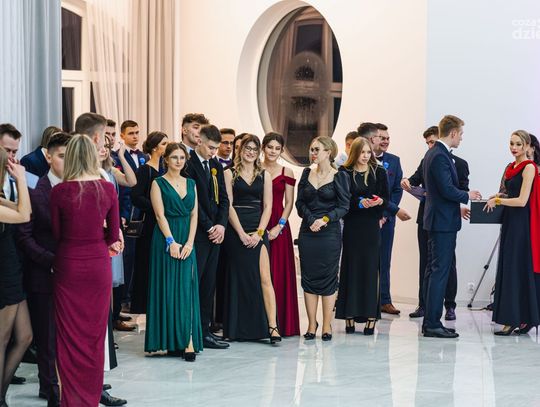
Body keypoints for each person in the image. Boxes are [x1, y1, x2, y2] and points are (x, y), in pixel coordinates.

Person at [50, 134, 121, 406]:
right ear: (93, 156)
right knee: (94, 335)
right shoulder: (107, 189)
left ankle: (71, 400)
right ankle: (91, 398)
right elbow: (113, 235)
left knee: (69, 335)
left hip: (68, 264)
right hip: (97, 264)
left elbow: (57, 233)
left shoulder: (60, 192)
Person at [74, 113, 127, 407]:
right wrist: (110, 233)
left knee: (98, 323)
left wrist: (116, 233)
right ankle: (83, 385)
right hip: (86, 256)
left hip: (96, 254)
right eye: (105, 136)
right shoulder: (81, 174)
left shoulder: (103, 174)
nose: (108, 142)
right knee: (88, 325)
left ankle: (95, 381)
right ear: (96, 138)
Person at [16, 132, 71, 406]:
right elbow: (25, 237)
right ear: (48, 157)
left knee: (71, 335)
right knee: (47, 337)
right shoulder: (35, 190)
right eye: (61, 156)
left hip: (73, 275)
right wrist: (52, 261)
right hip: (44, 273)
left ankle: (71, 382)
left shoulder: (76, 188)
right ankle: (50, 387)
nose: (67, 162)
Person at [422, 115, 481, 338]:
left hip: (439, 220)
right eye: (461, 134)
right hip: (442, 222)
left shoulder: (435, 153)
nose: (461, 138)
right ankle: (432, 323)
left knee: (434, 271)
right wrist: (467, 195)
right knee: (440, 272)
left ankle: (431, 321)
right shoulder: (439, 155)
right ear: (453, 133)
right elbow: (446, 189)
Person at [403, 126, 470, 320]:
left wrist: (461, 201)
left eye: (432, 141)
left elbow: (455, 190)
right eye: (428, 143)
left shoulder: (457, 163)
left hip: (443, 217)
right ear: (453, 133)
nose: (430, 146)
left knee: (445, 265)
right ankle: (427, 310)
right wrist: (407, 181)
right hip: (432, 217)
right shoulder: (433, 157)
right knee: (430, 265)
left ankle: (448, 306)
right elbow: (438, 187)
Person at [145, 143, 202, 361]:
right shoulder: (157, 183)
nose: (178, 161)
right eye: (174, 157)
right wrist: (171, 241)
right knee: (167, 288)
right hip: (165, 239)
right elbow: (159, 215)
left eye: (182, 157)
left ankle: (188, 341)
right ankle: (170, 340)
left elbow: (194, 215)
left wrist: (189, 243)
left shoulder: (191, 183)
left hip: (187, 238)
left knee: (186, 288)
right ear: (166, 159)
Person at [222, 134, 282, 343]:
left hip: (258, 229)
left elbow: (268, 206)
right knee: (237, 279)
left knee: (265, 278)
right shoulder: (229, 173)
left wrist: (259, 233)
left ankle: (272, 327)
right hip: (235, 229)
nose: (250, 152)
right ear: (240, 150)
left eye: (254, 149)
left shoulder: (265, 175)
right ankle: (235, 329)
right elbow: (228, 205)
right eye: (247, 148)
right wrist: (240, 233)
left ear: (259, 152)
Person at [485, 130, 540, 335]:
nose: (514, 148)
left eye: (518, 144)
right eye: (511, 143)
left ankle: (514, 320)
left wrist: (499, 200)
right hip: (510, 221)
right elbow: (511, 193)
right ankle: (522, 318)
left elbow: (522, 201)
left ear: (527, 146)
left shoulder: (529, 167)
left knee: (516, 268)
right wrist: (499, 194)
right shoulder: (511, 167)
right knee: (511, 267)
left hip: (521, 223)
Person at [296, 136, 350, 341]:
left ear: (328, 152)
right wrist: (311, 219)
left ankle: (327, 324)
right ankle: (312, 324)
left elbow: (344, 206)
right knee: (308, 276)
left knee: (328, 277)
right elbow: (300, 203)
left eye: (317, 149)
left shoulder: (339, 176)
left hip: (329, 233)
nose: (313, 153)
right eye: (312, 149)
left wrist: (325, 219)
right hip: (308, 232)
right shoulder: (306, 173)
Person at [335, 137, 389, 335]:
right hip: (352, 226)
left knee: (370, 269)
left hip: (371, 226)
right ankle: (349, 315)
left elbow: (386, 199)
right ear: (354, 153)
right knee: (351, 268)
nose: (365, 156)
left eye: (368, 152)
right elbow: (342, 200)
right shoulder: (344, 172)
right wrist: (358, 203)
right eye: (362, 152)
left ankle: (371, 316)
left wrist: (379, 202)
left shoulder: (379, 172)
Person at [184, 125, 230, 349]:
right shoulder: (188, 164)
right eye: (211, 147)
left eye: (216, 148)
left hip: (216, 233)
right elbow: (193, 201)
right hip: (198, 233)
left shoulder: (215, 165)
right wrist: (209, 226)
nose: (214, 152)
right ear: (199, 141)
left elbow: (224, 198)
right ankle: (191, 332)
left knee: (209, 285)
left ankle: (205, 331)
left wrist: (221, 225)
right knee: (196, 282)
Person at [365, 122, 410, 315]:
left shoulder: (394, 161)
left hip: (387, 220)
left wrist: (385, 214)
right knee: (365, 260)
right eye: (382, 138)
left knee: (384, 260)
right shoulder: (363, 158)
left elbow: (397, 190)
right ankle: (364, 300)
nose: (386, 141)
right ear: (372, 139)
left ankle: (384, 300)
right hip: (365, 219)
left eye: (388, 138)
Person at [0, 146, 32, 407]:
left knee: (24, 336)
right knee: (2, 338)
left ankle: (1, 394)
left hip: (12, 269)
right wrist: (21, 178)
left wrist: (20, 181)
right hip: (4, 273)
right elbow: (23, 215)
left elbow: (25, 209)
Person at [261, 132, 300, 337]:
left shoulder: (287, 171)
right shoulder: (256, 169)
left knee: (279, 271)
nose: (273, 151)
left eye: (277, 148)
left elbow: (289, 203)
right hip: (258, 222)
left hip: (279, 226)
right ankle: (261, 323)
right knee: (260, 273)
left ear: (281, 150)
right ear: (263, 148)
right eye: (270, 147)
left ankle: (282, 323)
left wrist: (279, 226)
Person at [100, 135, 137, 332]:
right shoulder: (88, 173)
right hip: (99, 228)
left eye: (107, 147)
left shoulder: (111, 170)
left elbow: (131, 181)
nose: (104, 150)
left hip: (113, 227)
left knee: (112, 281)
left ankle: (111, 322)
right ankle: (106, 325)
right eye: (100, 146)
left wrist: (121, 155)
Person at [130, 132, 168, 314]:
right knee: (145, 263)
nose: (167, 147)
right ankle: (141, 304)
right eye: (164, 144)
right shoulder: (145, 170)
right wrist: (156, 206)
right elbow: (136, 197)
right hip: (150, 222)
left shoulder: (166, 170)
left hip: (165, 221)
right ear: (154, 147)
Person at [112, 120, 146, 316]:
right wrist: (124, 214)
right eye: (131, 133)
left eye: (137, 132)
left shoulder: (143, 156)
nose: (135, 136)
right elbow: (123, 191)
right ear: (122, 136)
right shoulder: (116, 157)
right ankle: (122, 301)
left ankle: (131, 297)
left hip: (142, 212)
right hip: (126, 212)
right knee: (125, 258)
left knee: (137, 259)